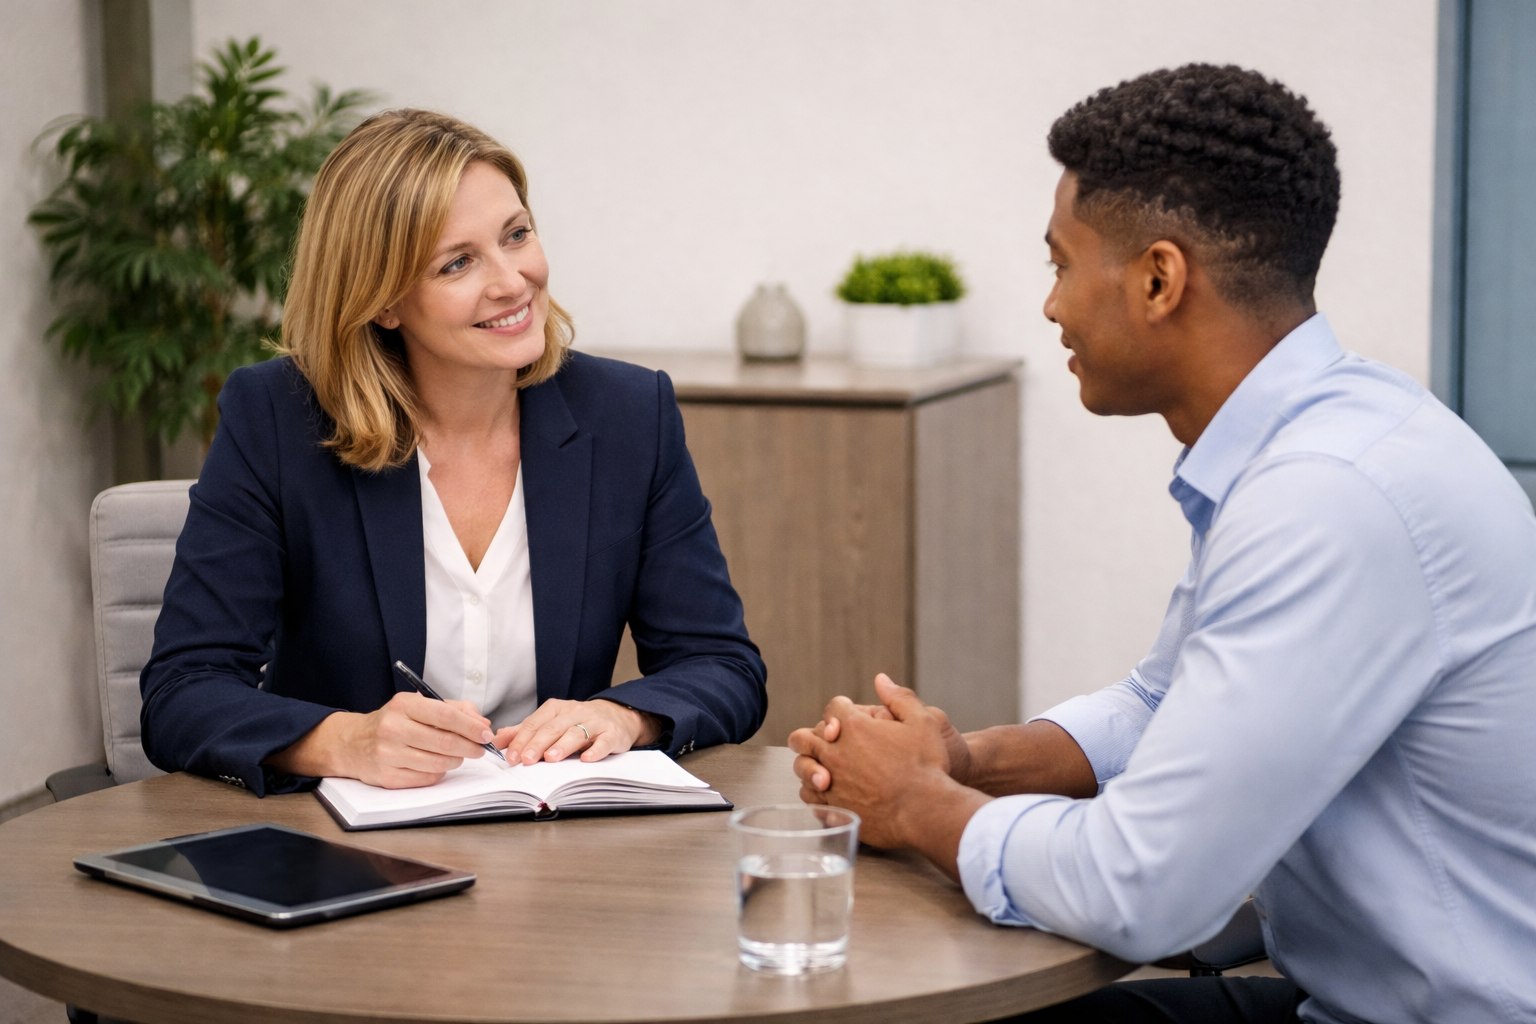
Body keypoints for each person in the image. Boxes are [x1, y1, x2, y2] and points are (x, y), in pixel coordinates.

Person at [789, 64, 1536, 1024]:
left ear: (1158, 277)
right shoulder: (1315, 439)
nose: (1051, 306)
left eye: (1060, 263)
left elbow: (1144, 890)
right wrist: (965, 762)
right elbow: (1158, 705)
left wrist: (916, 805)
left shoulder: (1329, 497)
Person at [141, 109, 766, 796]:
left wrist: (623, 716)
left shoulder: (627, 416)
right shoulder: (278, 420)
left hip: (560, 848)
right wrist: (345, 741)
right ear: (382, 301)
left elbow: (722, 665)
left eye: (516, 235)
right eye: (458, 262)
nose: (511, 281)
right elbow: (183, 691)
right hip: (337, 852)